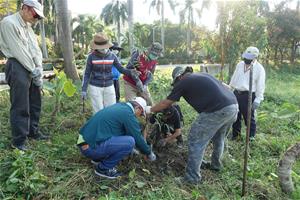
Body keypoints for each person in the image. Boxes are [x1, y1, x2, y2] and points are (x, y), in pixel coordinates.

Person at [147, 66, 238, 184]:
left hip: (217, 110)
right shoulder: (202, 75)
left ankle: (192, 178)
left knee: (195, 140)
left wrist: (150, 109)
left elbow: (167, 102)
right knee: (219, 138)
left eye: (176, 82)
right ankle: (216, 165)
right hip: (233, 106)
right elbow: (226, 86)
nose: (176, 84)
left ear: (179, 77)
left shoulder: (183, 81)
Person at [0, 0, 48, 151]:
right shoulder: (9, 23)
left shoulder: (28, 26)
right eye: (35, 15)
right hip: (17, 65)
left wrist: (38, 68)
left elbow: (34, 49)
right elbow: (19, 51)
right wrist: (33, 69)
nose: (36, 19)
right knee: (21, 104)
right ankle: (19, 141)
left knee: (35, 100)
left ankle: (33, 131)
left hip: (31, 66)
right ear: (25, 8)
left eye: (38, 17)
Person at [77, 97, 156, 179]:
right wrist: (148, 152)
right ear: (138, 108)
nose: (139, 116)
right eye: (141, 113)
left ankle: (97, 159)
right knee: (130, 142)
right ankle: (103, 169)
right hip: (90, 148)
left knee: (124, 138)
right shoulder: (128, 114)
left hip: (84, 142)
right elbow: (137, 138)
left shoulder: (120, 106)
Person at [81, 33, 139, 113]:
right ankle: (99, 125)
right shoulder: (91, 57)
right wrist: (84, 89)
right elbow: (87, 74)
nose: (104, 49)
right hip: (95, 87)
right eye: (101, 48)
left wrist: (131, 72)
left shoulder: (112, 56)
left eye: (105, 47)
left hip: (109, 86)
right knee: (98, 111)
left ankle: (110, 125)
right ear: (96, 48)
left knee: (111, 110)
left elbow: (121, 69)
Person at [229, 46, 265, 140]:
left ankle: (251, 137)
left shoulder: (259, 69)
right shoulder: (240, 64)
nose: (246, 59)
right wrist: (230, 89)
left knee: (248, 118)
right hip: (237, 93)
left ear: (254, 58)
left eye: (249, 57)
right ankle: (236, 136)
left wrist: (258, 99)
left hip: (248, 96)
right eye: (245, 57)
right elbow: (234, 77)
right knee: (235, 116)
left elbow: (260, 85)